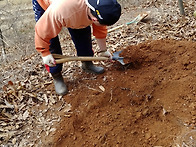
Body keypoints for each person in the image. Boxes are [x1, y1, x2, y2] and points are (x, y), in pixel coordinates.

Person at [32, 0, 121, 95]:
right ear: (94, 19)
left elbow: (100, 29)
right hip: (46, 4)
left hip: (76, 10)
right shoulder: (62, 11)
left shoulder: (100, 5)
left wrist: (103, 50)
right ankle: (56, 75)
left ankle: (87, 64)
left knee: (83, 32)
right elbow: (42, 31)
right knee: (51, 42)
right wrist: (45, 53)